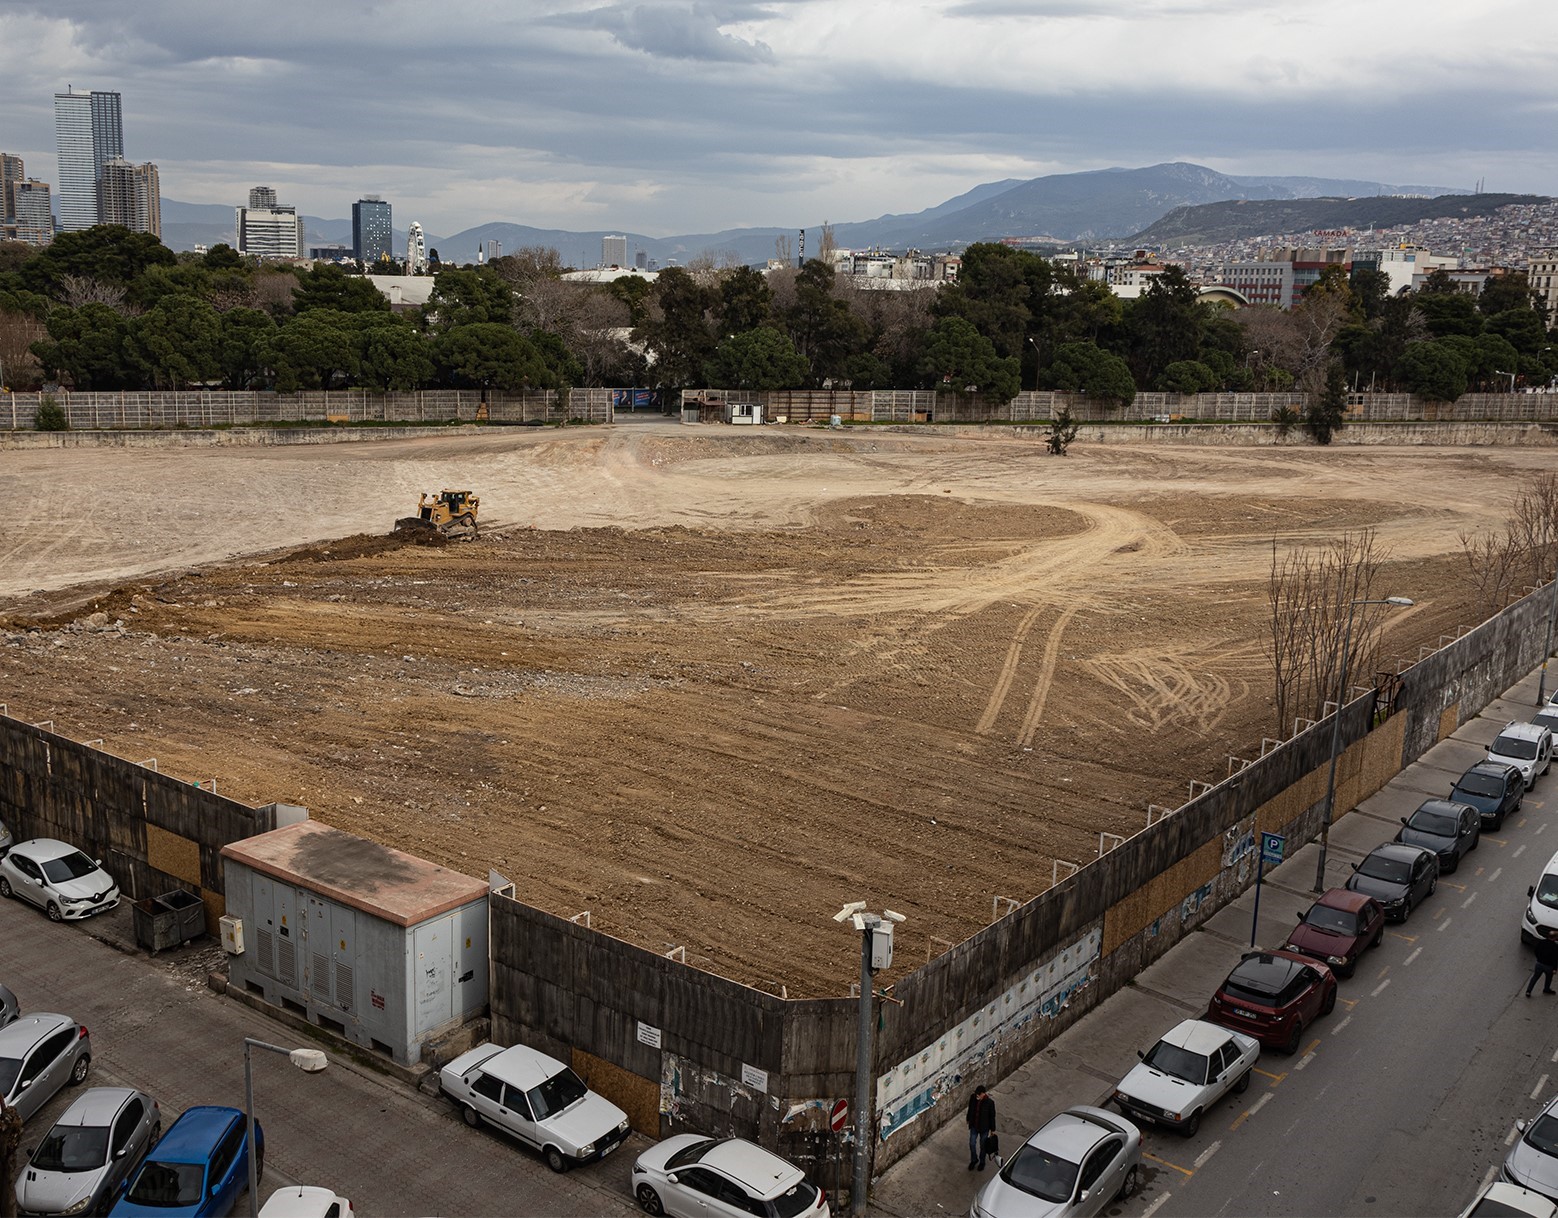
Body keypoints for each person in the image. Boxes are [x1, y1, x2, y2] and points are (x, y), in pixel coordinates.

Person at [966, 1084, 996, 1171]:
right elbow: (970, 1109)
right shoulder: (973, 1098)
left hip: (984, 1128)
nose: (977, 1096)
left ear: (983, 1094)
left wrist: (992, 1129)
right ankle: (974, 1160)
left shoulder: (990, 1103)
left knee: (983, 1146)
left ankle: (982, 1162)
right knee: (972, 1143)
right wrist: (968, 1118)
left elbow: (992, 1116)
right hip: (974, 1126)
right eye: (976, 1094)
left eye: (979, 1094)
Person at [1529, 929, 1558, 996]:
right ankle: (1546, 989)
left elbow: (1536, 951)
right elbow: (1555, 958)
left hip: (1539, 964)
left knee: (1535, 977)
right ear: (1555, 938)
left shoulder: (1542, 942)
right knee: (1549, 978)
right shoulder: (1555, 946)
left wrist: (1539, 958)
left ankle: (1529, 991)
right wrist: (1555, 969)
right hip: (1549, 966)